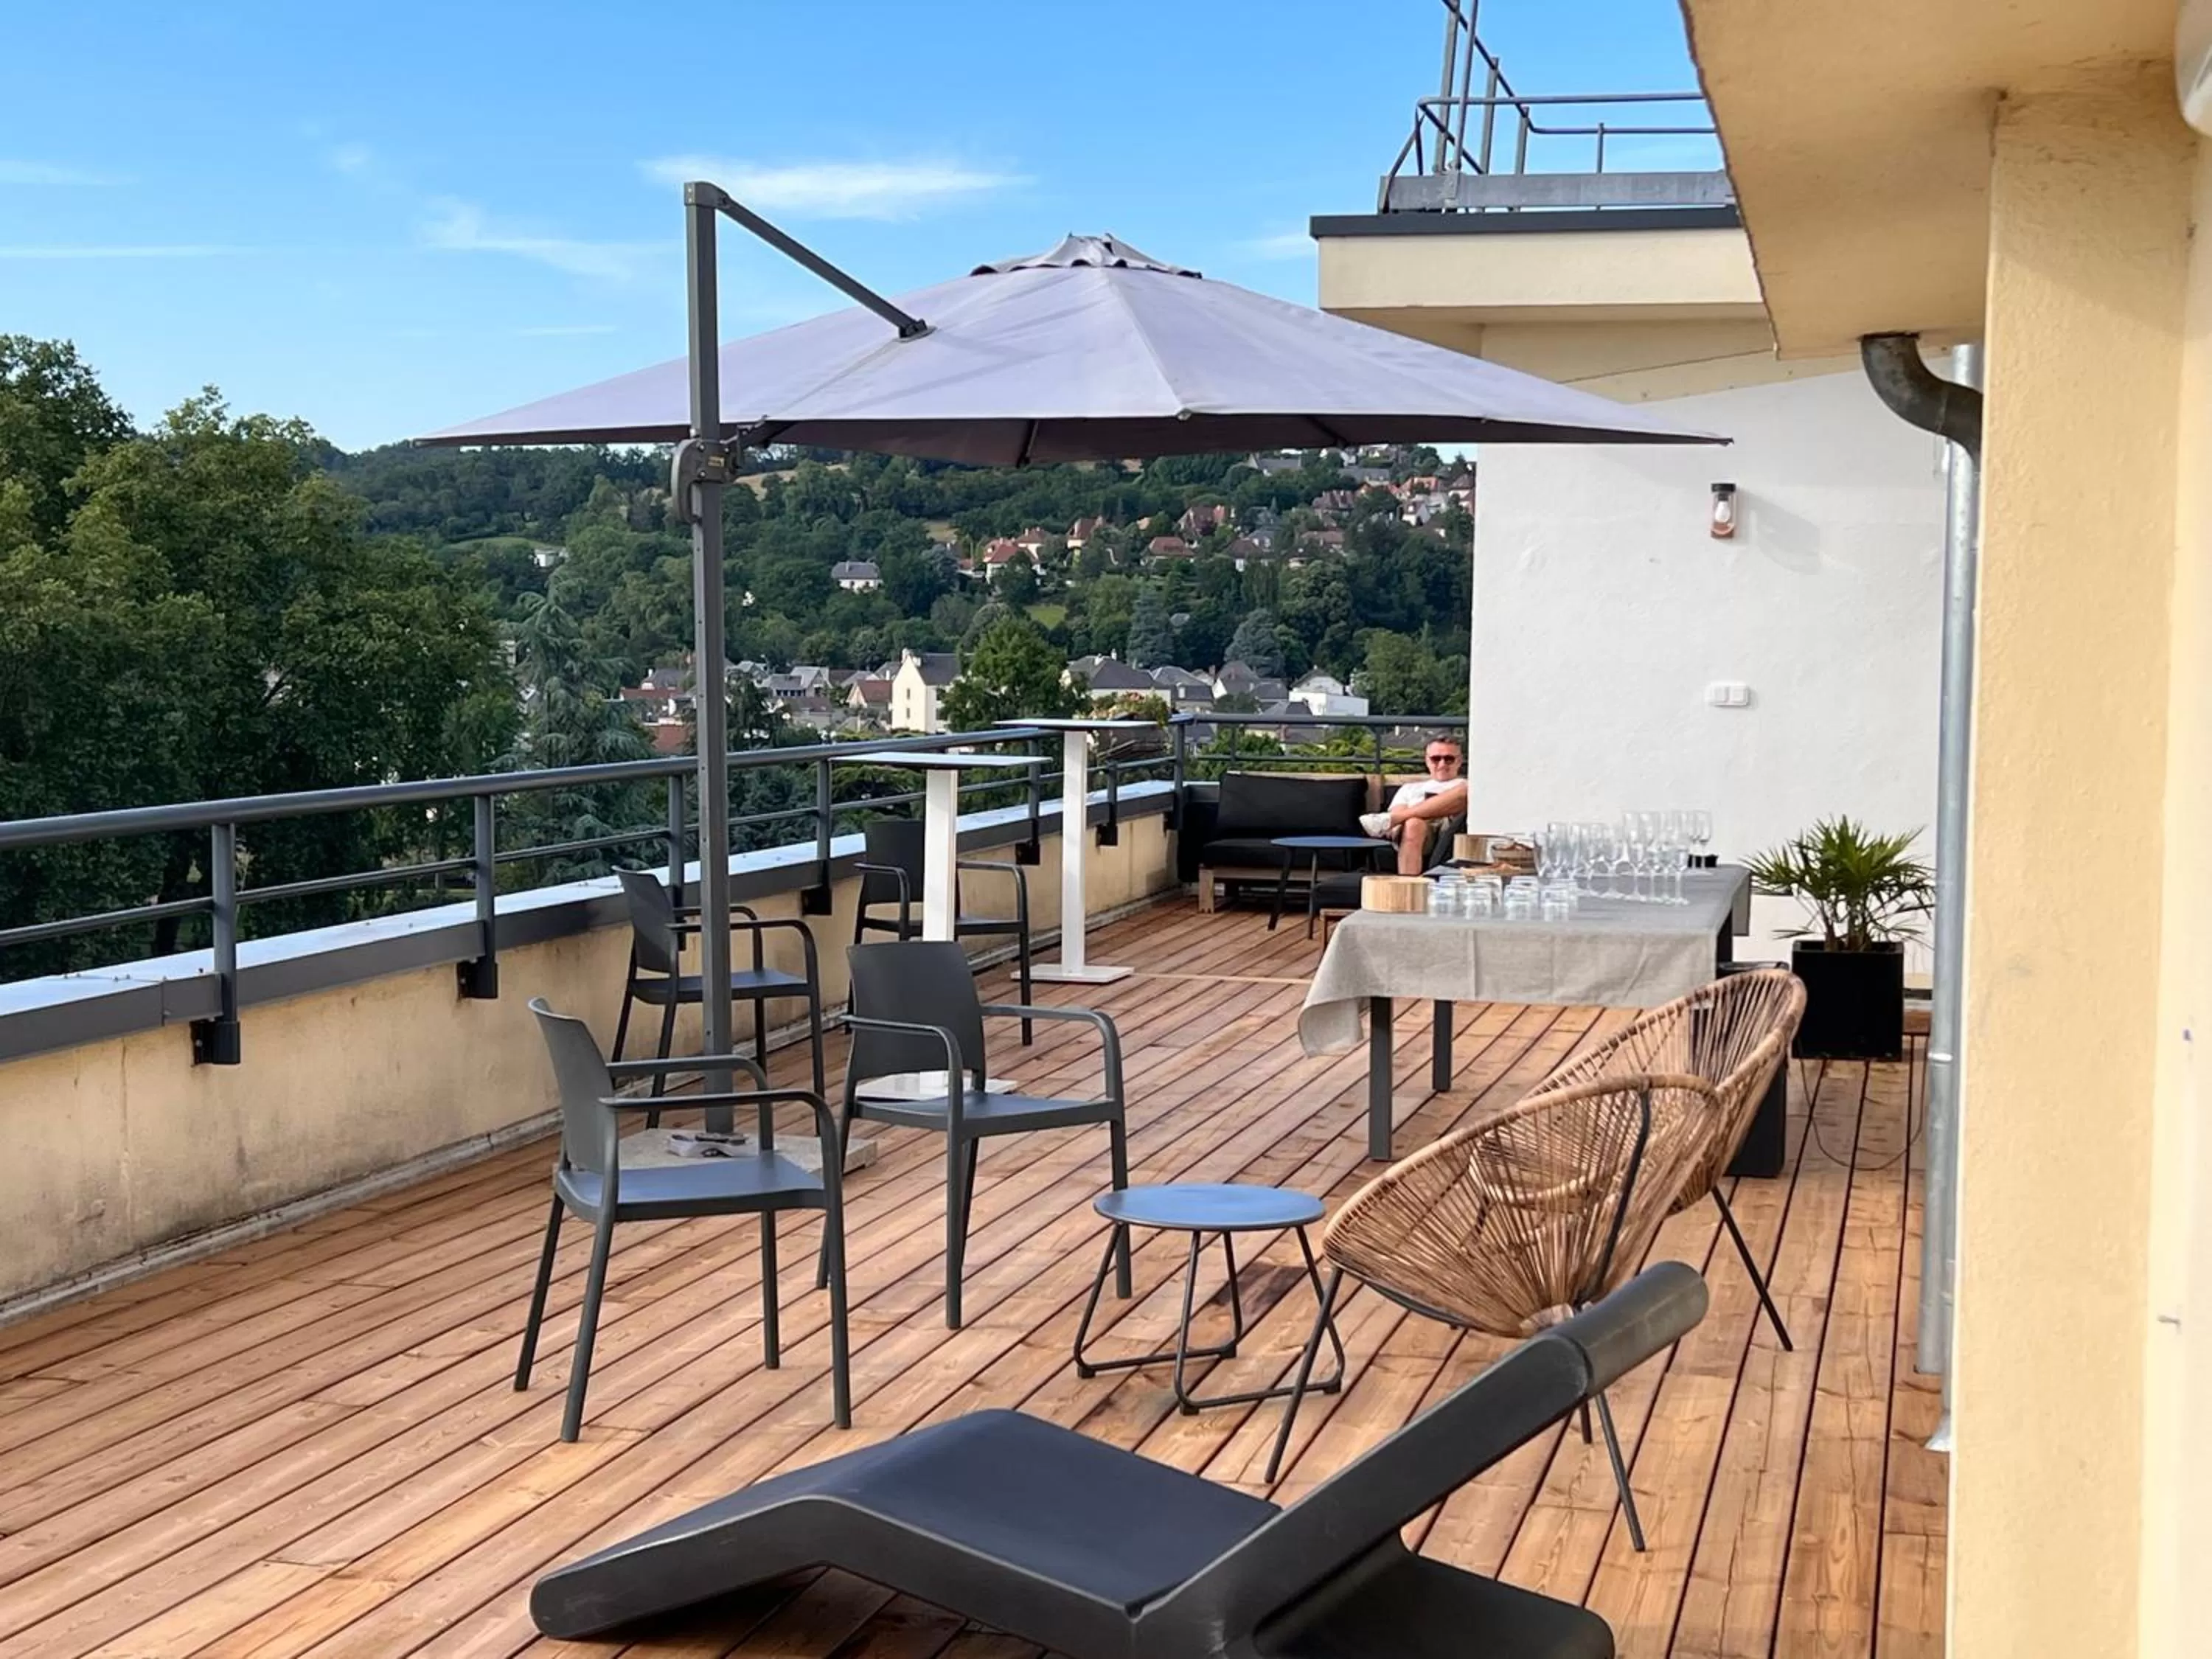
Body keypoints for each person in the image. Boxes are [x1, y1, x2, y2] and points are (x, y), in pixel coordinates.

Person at [1359, 734, 1469, 874]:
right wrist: (1399, 822)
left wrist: (1395, 819)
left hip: (1451, 826)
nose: (1442, 764)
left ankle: (1389, 820)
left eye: (1449, 759)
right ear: (1427, 760)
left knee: (1468, 791)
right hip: (1417, 830)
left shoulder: (1464, 785)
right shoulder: (1410, 789)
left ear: (1459, 761)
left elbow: (1397, 817)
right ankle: (1409, 882)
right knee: (1413, 823)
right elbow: (1397, 819)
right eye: (1436, 759)